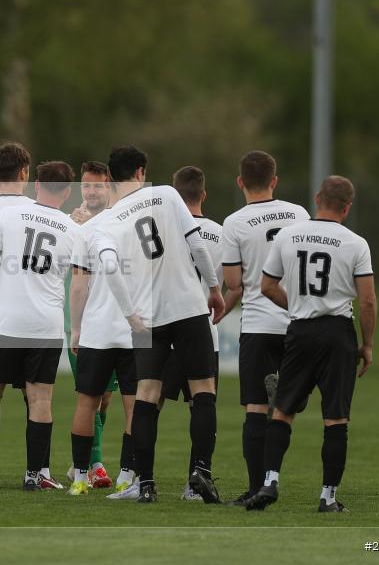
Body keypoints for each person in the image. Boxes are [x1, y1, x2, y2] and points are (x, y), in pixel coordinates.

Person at [94, 146, 224, 504]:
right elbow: (196, 242)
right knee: (203, 392)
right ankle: (200, 472)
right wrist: (213, 289)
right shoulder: (166, 195)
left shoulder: (107, 221)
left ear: (109, 177)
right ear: (140, 171)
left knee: (147, 397)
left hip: (148, 319)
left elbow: (108, 267)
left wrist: (129, 313)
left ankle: (146, 484)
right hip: (187, 307)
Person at [245, 176, 375, 512]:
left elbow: (267, 285)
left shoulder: (289, 234)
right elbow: (368, 302)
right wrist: (368, 344)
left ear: (318, 198)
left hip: (300, 331)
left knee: (283, 410)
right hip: (337, 334)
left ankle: (270, 481)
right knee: (335, 418)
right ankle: (327, 497)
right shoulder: (356, 243)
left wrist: (300, 306)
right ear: (348, 207)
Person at [0, 161, 84, 491]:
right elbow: (81, 283)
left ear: (36, 183)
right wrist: (77, 327)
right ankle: (34, 476)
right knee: (40, 400)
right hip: (46, 326)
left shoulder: (8, 217)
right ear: (68, 192)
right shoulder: (73, 229)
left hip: (4, 321)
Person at [220, 150, 310, 506]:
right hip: (296, 321)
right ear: (275, 181)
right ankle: (291, 399)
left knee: (254, 410)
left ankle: (256, 488)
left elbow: (233, 283)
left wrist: (217, 312)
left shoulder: (234, 222)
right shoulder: (299, 214)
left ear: (240, 181)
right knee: (286, 409)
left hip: (258, 323)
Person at [161, 165, 233, 500]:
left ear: (175, 196)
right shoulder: (221, 233)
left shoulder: (161, 231)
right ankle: (196, 480)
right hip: (203, 330)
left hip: (166, 324)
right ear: (203, 195)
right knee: (202, 403)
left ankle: (133, 475)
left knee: (145, 401)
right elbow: (235, 283)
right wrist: (218, 306)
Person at [67, 173, 136, 495]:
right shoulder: (145, 224)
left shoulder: (89, 228)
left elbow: (79, 284)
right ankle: (128, 476)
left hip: (97, 327)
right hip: (136, 329)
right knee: (135, 405)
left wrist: (76, 328)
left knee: (87, 402)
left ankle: (80, 477)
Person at [65, 160, 118, 490]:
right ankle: (94, 464)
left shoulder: (119, 221)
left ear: (109, 187)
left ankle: (78, 463)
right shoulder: (72, 223)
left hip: (113, 319)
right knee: (91, 394)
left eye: (98, 185)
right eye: (87, 185)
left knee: (105, 398)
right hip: (82, 320)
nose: (92, 191)